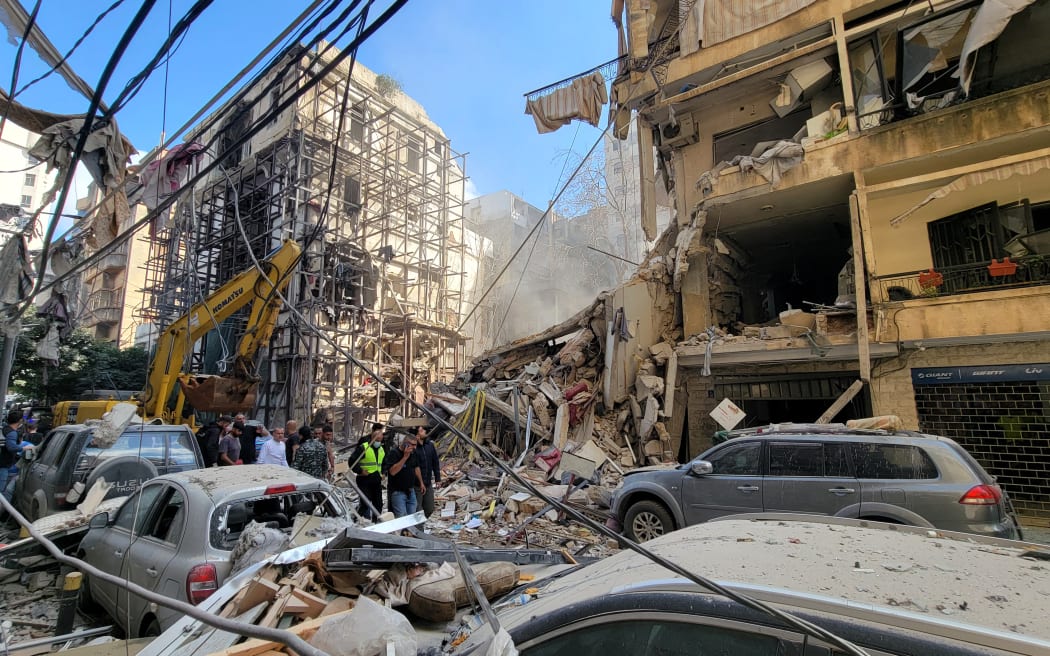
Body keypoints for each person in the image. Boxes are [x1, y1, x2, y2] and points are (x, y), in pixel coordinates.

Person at [382, 429, 424, 518]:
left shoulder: (413, 453)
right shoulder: (394, 453)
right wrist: (405, 457)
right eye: (412, 445)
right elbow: (392, 472)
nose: (414, 447)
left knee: (411, 516)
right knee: (401, 517)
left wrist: (421, 483)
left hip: (410, 490)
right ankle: (401, 532)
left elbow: (416, 467)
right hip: (398, 492)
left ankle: (409, 532)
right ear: (405, 443)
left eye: (415, 445)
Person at [350, 423, 385, 520]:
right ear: (372, 438)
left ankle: (375, 522)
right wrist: (360, 471)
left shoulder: (381, 449)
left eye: (380, 440)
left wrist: (383, 473)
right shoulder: (364, 447)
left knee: (378, 504)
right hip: (364, 479)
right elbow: (352, 461)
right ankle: (358, 520)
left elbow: (384, 463)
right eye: (377, 440)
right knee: (365, 503)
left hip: (376, 480)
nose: (378, 442)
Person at [414, 426, 442, 518]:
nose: (424, 432)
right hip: (416, 485)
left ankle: (420, 524)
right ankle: (418, 529)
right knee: (417, 510)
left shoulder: (430, 445)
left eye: (423, 430)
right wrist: (415, 444)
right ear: (417, 434)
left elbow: (435, 462)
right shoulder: (413, 448)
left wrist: (438, 478)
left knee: (429, 508)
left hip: (427, 483)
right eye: (422, 431)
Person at [1, 411, 23, 501]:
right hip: (3, 465)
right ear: (20, 421)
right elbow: (11, 447)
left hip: (3, 464)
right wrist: (24, 448)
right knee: (2, 491)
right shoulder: (12, 433)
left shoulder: (4, 428)